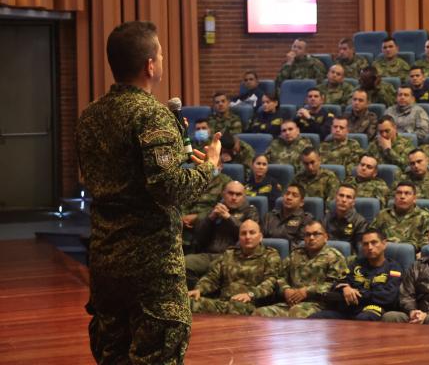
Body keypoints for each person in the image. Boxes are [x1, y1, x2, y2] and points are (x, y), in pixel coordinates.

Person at [76, 21, 221, 363]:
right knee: (157, 354)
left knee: (113, 354)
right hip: (150, 267)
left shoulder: (90, 116)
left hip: (106, 258)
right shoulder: (152, 115)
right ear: (150, 65)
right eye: (160, 53)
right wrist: (208, 166)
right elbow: (168, 188)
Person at [255, 220, 349, 318]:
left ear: (325, 237)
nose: (311, 238)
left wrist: (308, 291)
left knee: (296, 312)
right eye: (308, 235)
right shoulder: (295, 254)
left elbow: (336, 284)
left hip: (318, 305)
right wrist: (286, 289)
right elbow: (279, 276)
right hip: (290, 303)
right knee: (260, 313)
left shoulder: (334, 257)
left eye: (316, 234)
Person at [188, 219, 282, 315]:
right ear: (239, 237)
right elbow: (212, 277)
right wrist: (199, 289)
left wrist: (250, 294)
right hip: (223, 304)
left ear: (260, 237)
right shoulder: (229, 254)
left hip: (251, 305)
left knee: (236, 307)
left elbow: (271, 282)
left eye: (252, 233)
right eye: (243, 233)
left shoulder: (270, 255)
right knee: (188, 302)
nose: (247, 237)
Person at [309, 228, 403, 321]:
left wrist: (358, 293)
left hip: (373, 309)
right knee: (316, 318)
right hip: (349, 309)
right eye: (365, 244)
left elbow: (388, 297)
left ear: (384, 244)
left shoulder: (393, 268)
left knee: (363, 319)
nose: (370, 247)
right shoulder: (355, 264)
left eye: (374, 242)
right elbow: (338, 284)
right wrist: (345, 288)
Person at [184, 180, 259, 288]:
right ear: (224, 194)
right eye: (230, 193)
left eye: (238, 194)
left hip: (234, 257)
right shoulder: (215, 209)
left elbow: (250, 235)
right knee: (185, 263)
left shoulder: (250, 212)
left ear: (244, 196)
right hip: (209, 255)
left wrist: (228, 217)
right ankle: (197, 294)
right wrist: (210, 218)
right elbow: (198, 236)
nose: (234, 197)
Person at [370, 181, 429, 249]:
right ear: (394, 196)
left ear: (414, 198)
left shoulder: (425, 217)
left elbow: (428, 242)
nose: (402, 196)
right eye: (399, 193)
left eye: (407, 193)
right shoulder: (382, 215)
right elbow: (371, 236)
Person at [261, 183, 314, 249]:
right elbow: (260, 239)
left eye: (294, 195)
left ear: (301, 202)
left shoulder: (306, 219)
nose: (289, 197)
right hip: (267, 255)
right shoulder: (269, 216)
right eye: (287, 193)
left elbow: (301, 244)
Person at [324, 184, 369, 248]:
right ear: (336, 198)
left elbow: (359, 249)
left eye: (348, 197)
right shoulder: (327, 217)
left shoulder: (360, 222)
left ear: (353, 202)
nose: (344, 200)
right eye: (341, 195)